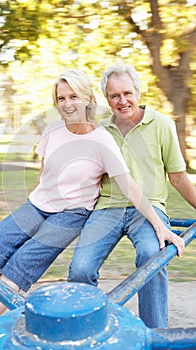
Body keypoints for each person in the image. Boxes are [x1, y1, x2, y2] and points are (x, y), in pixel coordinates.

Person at [0, 68, 182, 337]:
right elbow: (44, 174)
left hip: (73, 212)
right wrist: (29, 214)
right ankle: (0, 319)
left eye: (74, 96)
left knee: (19, 266)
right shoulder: (52, 130)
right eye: (61, 98)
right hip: (39, 205)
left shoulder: (102, 138)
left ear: (89, 99)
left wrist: (160, 225)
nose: (67, 104)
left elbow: (129, 184)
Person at [68, 62, 195, 329]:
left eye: (127, 93)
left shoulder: (162, 125)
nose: (122, 101)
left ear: (137, 92)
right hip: (108, 208)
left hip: (149, 209)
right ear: (107, 98)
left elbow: (178, 177)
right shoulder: (99, 131)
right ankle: (87, 329)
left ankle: (155, 333)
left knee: (152, 254)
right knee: (80, 268)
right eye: (114, 96)